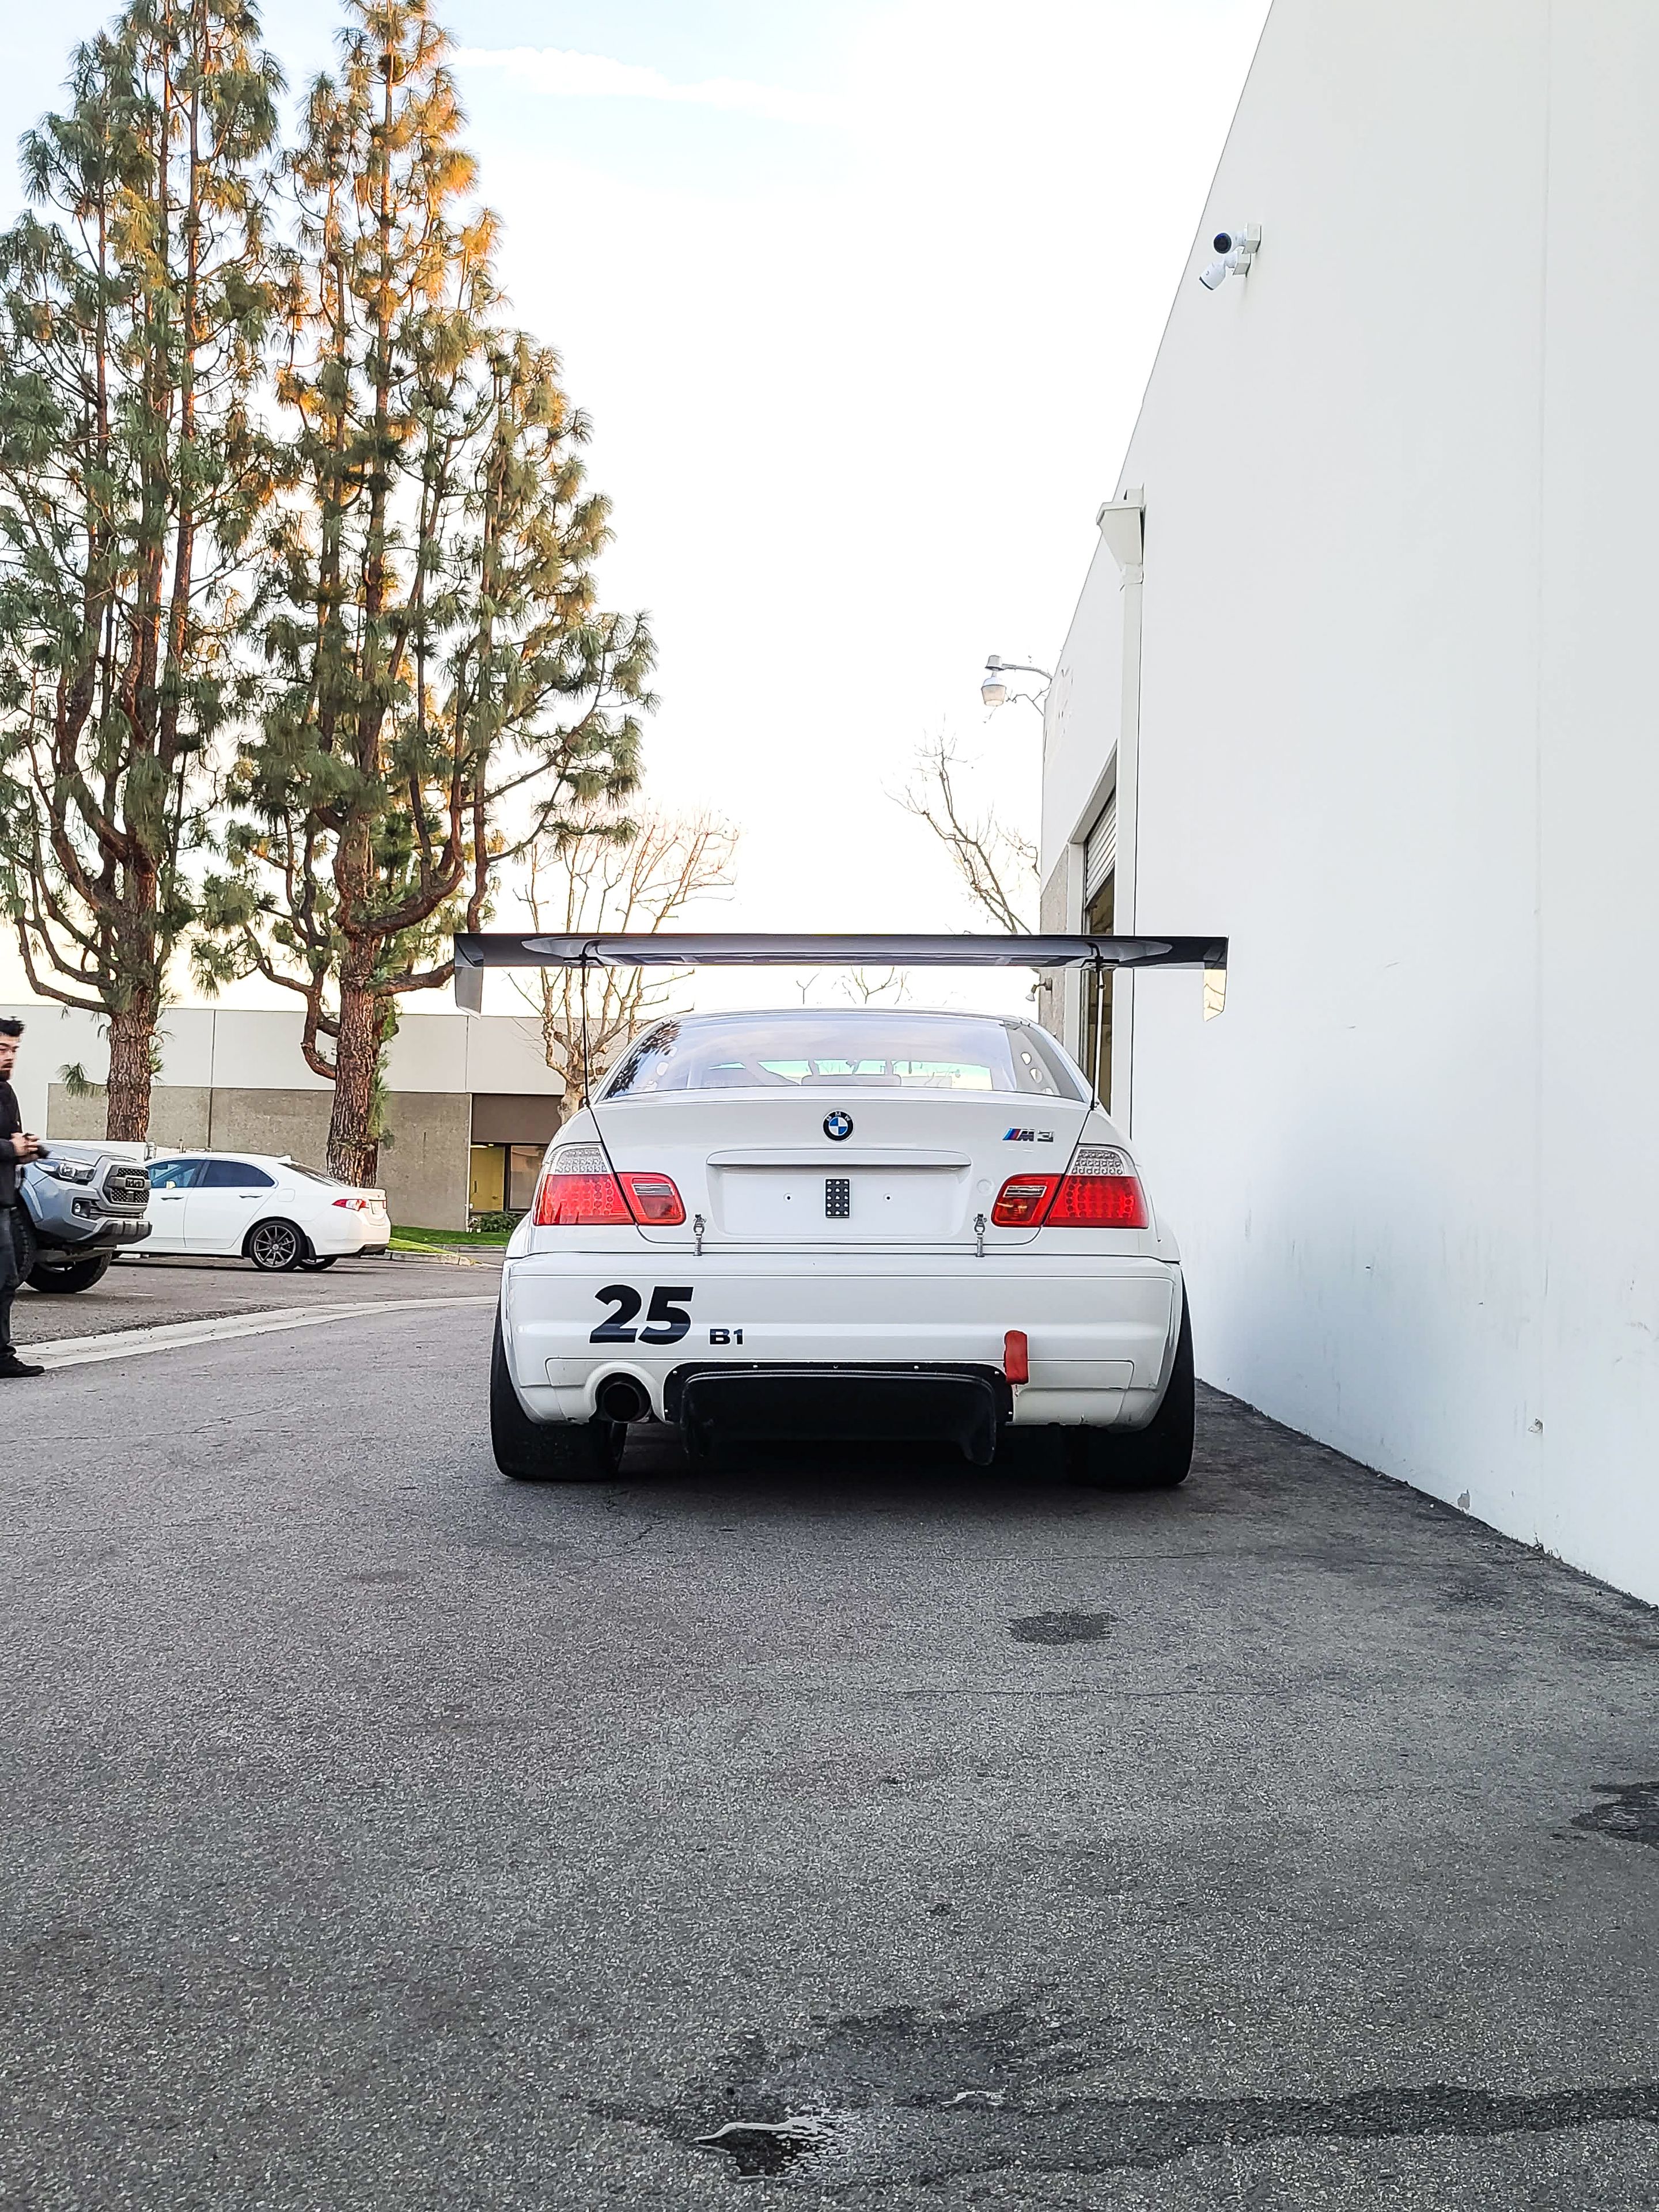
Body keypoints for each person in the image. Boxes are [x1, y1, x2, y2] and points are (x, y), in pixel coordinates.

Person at [0, 1018, 45, 1380]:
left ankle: (1, 1356)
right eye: (2, 1049)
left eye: (14, 1050)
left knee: (5, 1279)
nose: (10, 1057)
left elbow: (11, 1144)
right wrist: (8, 1148)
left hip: (4, 1201)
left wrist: (25, 1150)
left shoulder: (6, 1092)